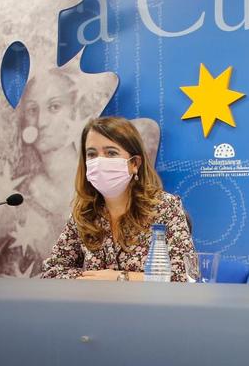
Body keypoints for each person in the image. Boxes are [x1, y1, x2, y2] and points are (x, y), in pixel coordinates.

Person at [41, 116, 193, 281]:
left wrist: (120, 278)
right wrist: (94, 280)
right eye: (92, 154)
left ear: (134, 163)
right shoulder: (84, 213)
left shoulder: (165, 207)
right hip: (97, 305)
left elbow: (184, 277)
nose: (99, 161)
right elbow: (52, 271)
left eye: (111, 153)